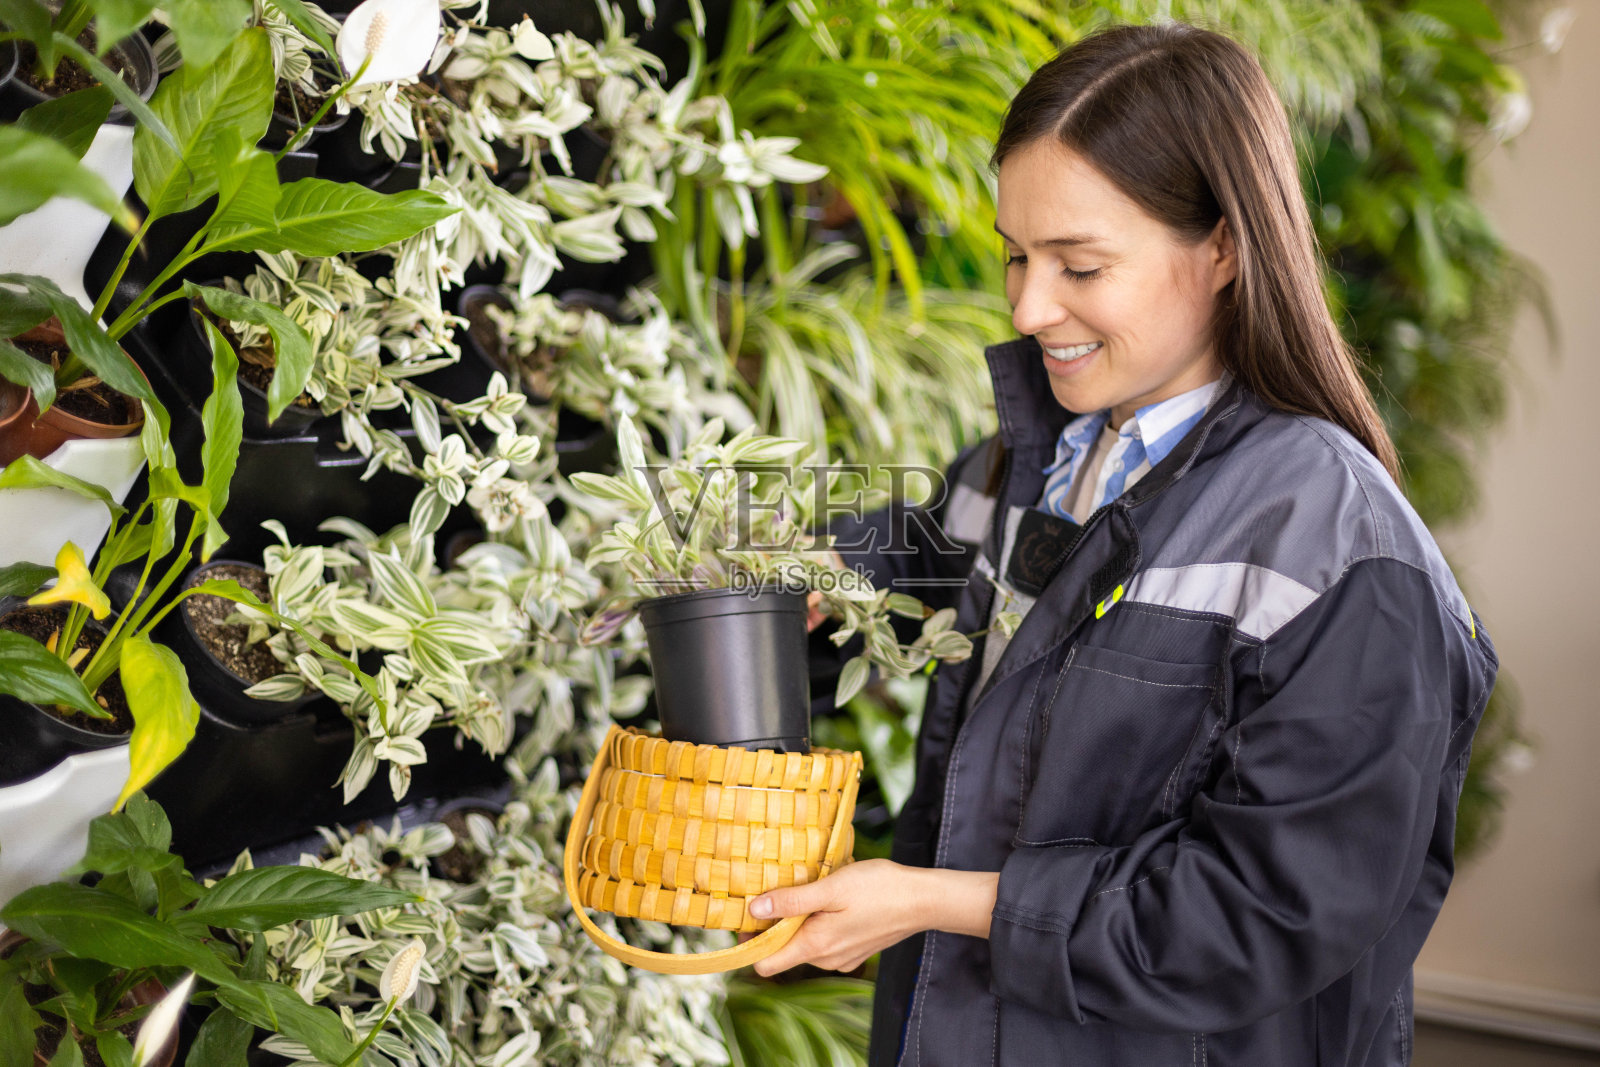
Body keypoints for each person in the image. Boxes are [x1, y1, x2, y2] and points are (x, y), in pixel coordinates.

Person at [754, 21, 1498, 1067]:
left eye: (1079, 264)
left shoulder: (1341, 550)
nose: (1025, 303)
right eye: (1016, 254)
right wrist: (808, 573)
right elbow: (935, 569)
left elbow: (1262, 913)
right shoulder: (1019, 465)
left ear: (1226, 247)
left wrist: (936, 900)